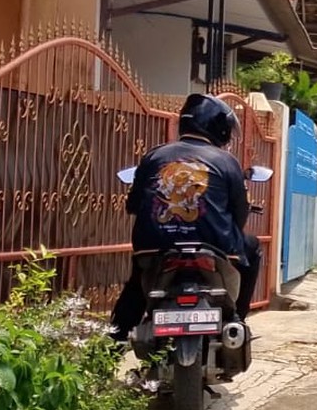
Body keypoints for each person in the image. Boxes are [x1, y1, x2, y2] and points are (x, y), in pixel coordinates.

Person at [108, 94, 261, 341]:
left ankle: (111, 347)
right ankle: (237, 320)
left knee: (136, 285)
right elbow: (239, 214)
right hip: (214, 247)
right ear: (219, 127)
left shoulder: (155, 156)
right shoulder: (227, 162)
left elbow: (133, 205)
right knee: (252, 248)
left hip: (155, 247)